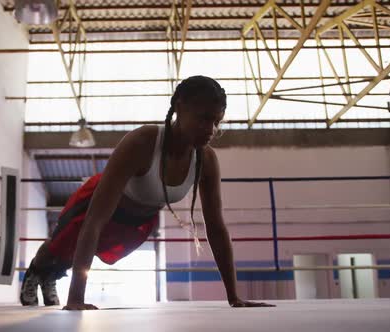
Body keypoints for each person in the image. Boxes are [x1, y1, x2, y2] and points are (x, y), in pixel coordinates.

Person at [20, 75, 275, 310]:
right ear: (178, 106)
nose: (210, 129)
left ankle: (50, 277)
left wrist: (234, 297)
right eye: (203, 118)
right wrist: (76, 299)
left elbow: (216, 227)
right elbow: (95, 220)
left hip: (135, 224)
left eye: (216, 121)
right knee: (60, 246)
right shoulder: (142, 142)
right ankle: (36, 272)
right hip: (96, 204)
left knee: (79, 252)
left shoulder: (206, 160)